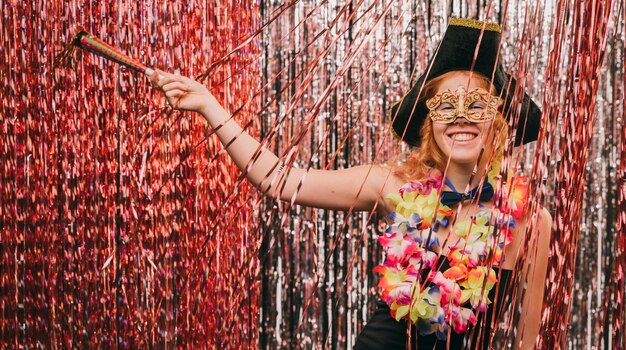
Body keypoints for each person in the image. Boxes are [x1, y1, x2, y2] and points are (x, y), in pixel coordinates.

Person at [149, 17, 551, 350]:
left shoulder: (531, 222)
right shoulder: (392, 185)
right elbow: (278, 180)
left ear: (498, 122)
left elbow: (528, 341)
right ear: (430, 124)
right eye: (446, 106)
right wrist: (208, 104)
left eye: (477, 106)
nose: (461, 118)